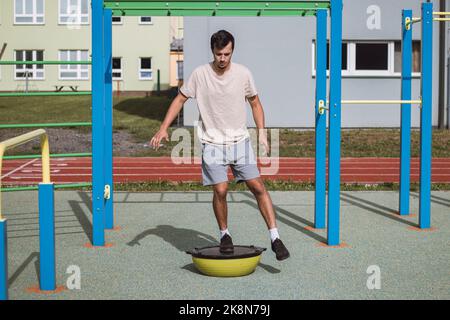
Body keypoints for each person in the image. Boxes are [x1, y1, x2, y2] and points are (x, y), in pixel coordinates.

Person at [150, 30, 290, 261]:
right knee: (221, 190)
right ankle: (225, 234)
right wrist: (164, 127)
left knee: (257, 187)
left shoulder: (243, 73)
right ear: (212, 52)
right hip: (212, 143)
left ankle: (275, 238)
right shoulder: (200, 74)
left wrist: (262, 134)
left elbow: (255, 104)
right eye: (219, 54)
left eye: (227, 54)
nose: (223, 58)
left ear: (232, 51)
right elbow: (180, 99)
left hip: (240, 142)